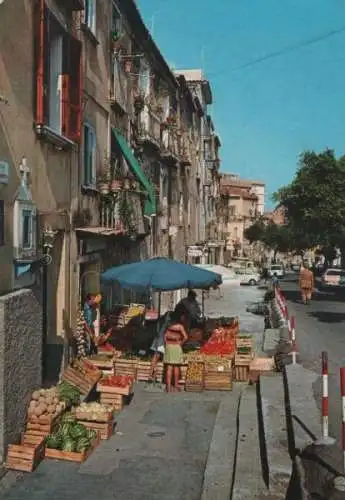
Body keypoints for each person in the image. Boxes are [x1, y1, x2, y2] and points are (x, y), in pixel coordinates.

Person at [163, 310, 188, 392]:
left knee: (169, 367)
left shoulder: (168, 325)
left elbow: (165, 336)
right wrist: (180, 343)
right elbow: (186, 337)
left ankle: (168, 387)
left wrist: (167, 343)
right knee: (176, 366)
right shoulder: (180, 326)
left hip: (169, 347)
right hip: (176, 347)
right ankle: (176, 385)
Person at [149, 311, 172, 382]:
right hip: (161, 340)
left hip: (159, 337)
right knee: (157, 356)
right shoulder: (169, 320)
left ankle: (153, 375)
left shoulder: (164, 319)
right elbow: (166, 332)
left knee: (157, 357)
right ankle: (151, 374)